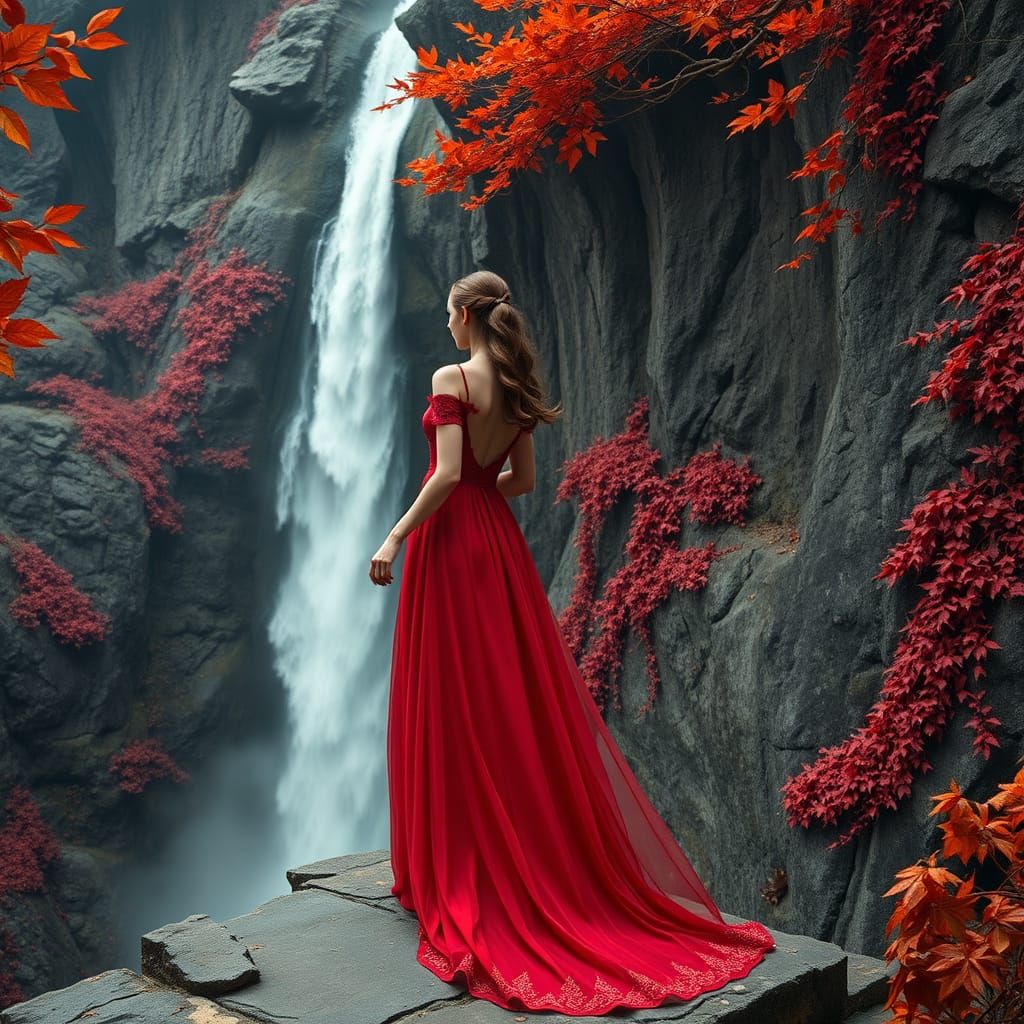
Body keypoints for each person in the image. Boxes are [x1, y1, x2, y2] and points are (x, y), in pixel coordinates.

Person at [368, 270, 775, 1015]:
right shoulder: (518, 386)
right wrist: (477, 486)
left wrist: (396, 533)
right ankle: (517, 850)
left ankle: (457, 859)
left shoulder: (451, 375)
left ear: (465, 314)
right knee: (501, 691)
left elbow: (449, 471)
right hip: (494, 539)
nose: (448, 326)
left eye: (451, 315)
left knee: (449, 693)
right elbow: (514, 480)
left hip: (447, 539)